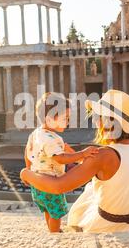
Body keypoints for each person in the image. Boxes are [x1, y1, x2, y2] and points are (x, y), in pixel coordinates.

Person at [21, 89, 129, 233]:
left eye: (98, 116)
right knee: (92, 189)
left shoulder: (103, 155)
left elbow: (58, 187)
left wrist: (26, 173)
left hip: (111, 226)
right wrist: (77, 155)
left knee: (88, 192)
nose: (95, 121)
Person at [24, 92, 98, 233]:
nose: (68, 121)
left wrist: (29, 171)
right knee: (56, 213)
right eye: (65, 118)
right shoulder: (50, 139)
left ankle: (52, 229)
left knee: (48, 209)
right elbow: (60, 158)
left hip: (37, 183)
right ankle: (55, 233)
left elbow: (27, 151)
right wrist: (82, 154)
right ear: (50, 119)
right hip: (50, 182)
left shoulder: (36, 134)